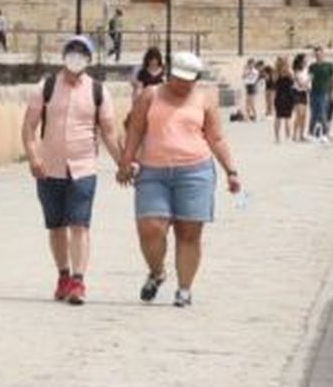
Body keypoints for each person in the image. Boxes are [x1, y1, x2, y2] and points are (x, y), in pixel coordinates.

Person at [117, 51, 241, 309]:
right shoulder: (151, 95)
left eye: (188, 80)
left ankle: (184, 289)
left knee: (189, 232)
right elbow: (135, 130)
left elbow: (215, 138)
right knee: (150, 228)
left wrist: (231, 170)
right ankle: (157, 271)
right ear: (170, 74)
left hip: (195, 171)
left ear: (196, 78)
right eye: (178, 78)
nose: (182, 84)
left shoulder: (204, 100)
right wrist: (126, 161)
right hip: (153, 171)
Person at [21, 36, 123, 305]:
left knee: (79, 225)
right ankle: (63, 275)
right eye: (72, 51)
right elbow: (29, 127)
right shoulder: (46, 87)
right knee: (56, 227)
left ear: (89, 59)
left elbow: (110, 134)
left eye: (82, 53)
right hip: (49, 168)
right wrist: (33, 157)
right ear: (64, 55)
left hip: (84, 168)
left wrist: (123, 164)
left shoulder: (98, 91)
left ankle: (78, 281)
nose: (76, 57)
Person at [307, 46, 333, 142]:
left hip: (324, 92)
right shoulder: (312, 66)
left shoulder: (329, 65)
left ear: (323, 54)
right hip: (314, 92)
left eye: (320, 54)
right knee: (314, 113)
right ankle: (311, 133)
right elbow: (310, 78)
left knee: (323, 113)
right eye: (316, 54)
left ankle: (324, 133)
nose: (318, 55)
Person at [272, 55, 296, 144]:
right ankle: (287, 137)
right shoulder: (289, 71)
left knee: (278, 117)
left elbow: (274, 81)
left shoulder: (276, 72)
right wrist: (288, 67)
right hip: (288, 95)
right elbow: (293, 79)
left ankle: (277, 138)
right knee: (288, 118)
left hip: (279, 96)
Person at [291, 53, 311, 142]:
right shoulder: (296, 71)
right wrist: (309, 79)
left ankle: (302, 135)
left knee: (304, 115)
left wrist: (308, 85)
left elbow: (306, 85)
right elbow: (300, 83)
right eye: (305, 59)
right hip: (296, 92)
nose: (307, 61)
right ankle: (294, 135)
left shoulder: (306, 70)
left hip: (304, 93)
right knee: (299, 114)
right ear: (301, 60)